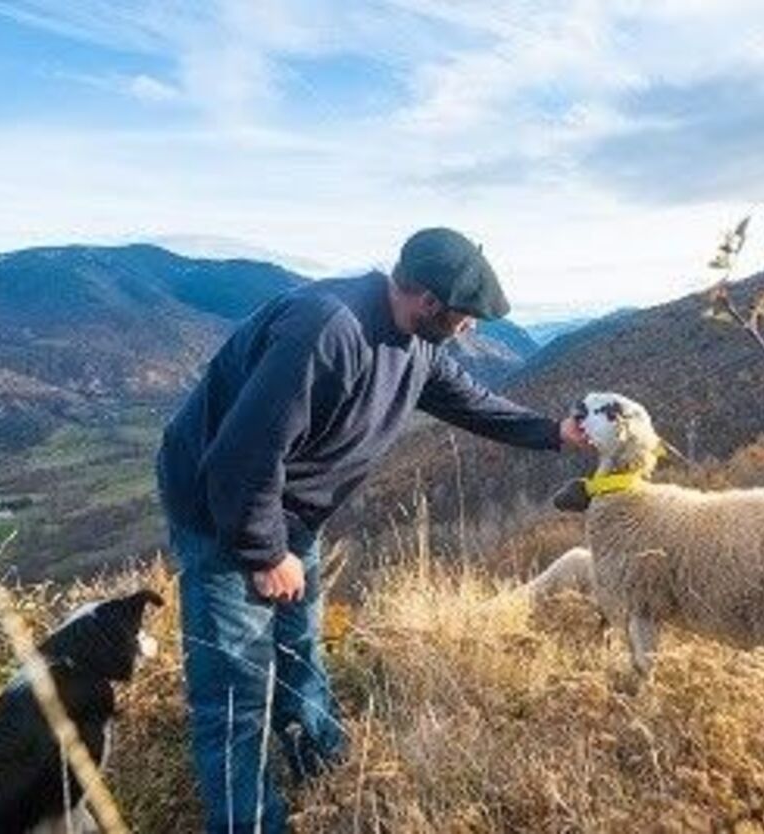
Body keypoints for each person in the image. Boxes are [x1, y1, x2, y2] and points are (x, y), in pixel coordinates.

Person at [155, 227, 586, 832]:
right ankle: (249, 821)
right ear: (430, 301)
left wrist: (552, 433)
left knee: (297, 645)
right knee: (236, 689)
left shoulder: (414, 340)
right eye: (467, 316)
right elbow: (240, 457)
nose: (473, 329)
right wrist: (262, 551)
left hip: (290, 513)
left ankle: (324, 767)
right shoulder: (325, 330)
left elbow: (469, 400)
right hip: (222, 507)